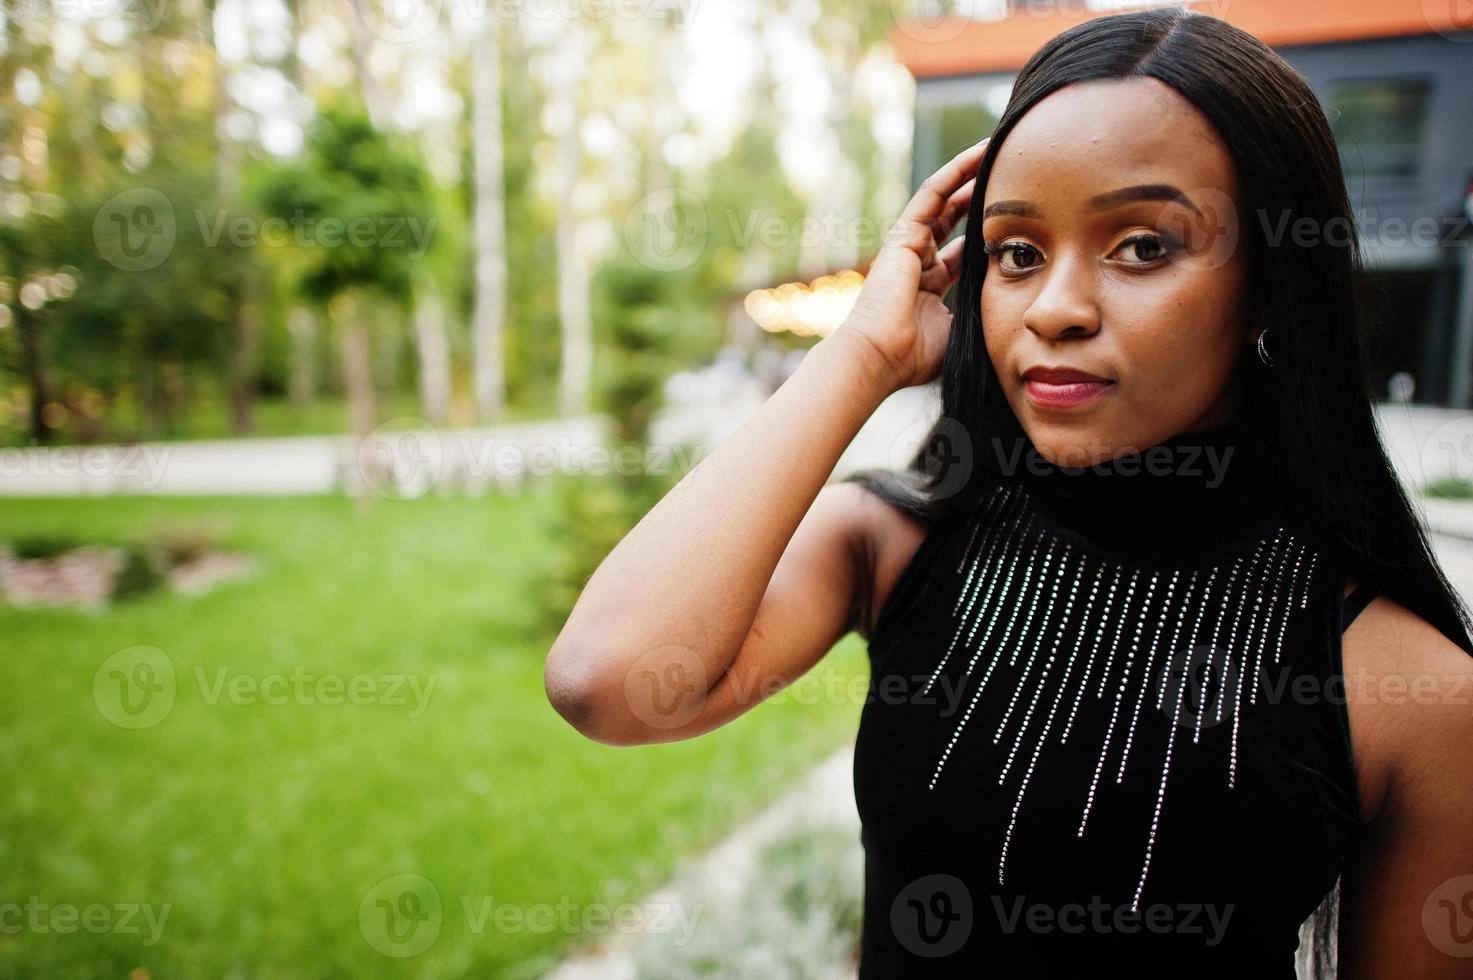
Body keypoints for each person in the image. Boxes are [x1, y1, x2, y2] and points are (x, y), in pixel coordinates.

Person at [544, 6, 1473, 977]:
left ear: (1273, 285)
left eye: (1144, 245)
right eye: (1018, 252)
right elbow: (609, 679)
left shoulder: (1409, 691)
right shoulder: (900, 544)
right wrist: (862, 353)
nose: (1056, 307)